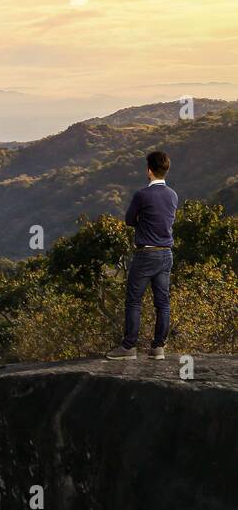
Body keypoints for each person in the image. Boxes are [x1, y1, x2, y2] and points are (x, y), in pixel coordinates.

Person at [106, 151, 177, 360]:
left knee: (134, 301)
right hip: (166, 253)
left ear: (149, 171)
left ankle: (128, 347)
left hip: (146, 254)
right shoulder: (173, 195)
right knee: (162, 302)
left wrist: (143, 224)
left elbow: (129, 220)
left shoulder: (142, 195)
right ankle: (158, 347)